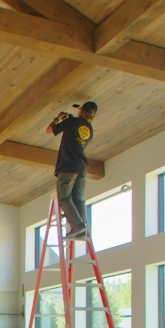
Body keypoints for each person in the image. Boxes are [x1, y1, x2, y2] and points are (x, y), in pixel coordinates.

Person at [47, 101, 97, 240]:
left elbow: (50, 130)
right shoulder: (89, 129)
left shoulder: (73, 122)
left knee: (64, 197)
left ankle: (78, 226)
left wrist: (57, 119)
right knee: (78, 199)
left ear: (81, 111)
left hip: (68, 165)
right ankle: (82, 230)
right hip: (82, 167)